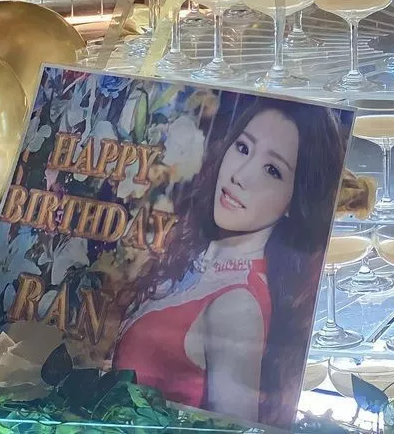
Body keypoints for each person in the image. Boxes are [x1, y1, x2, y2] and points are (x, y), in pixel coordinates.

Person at [113, 95, 347, 426]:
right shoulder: (200, 258)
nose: (240, 175)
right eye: (243, 148)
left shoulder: (237, 306)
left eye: (272, 170)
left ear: (295, 200)